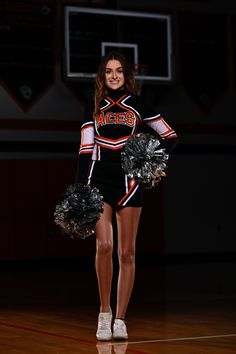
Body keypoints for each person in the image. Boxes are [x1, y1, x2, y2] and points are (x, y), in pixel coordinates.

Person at [76, 51, 178, 341]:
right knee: (105, 246)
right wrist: (80, 186)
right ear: (102, 76)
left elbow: (170, 136)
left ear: (126, 75)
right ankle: (104, 313)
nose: (114, 76)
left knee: (127, 253)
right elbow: (85, 148)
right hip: (98, 180)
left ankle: (120, 319)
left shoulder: (138, 104)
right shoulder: (94, 105)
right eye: (108, 72)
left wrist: (151, 161)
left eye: (119, 71)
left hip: (129, 183)